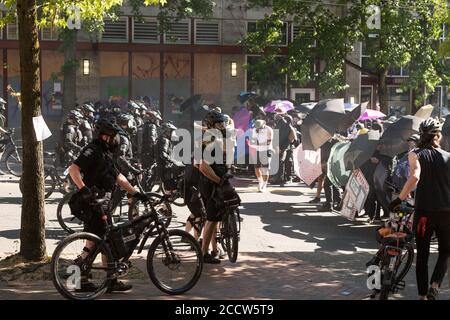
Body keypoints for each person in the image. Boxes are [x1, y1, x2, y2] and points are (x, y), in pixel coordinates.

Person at [68, 118, 148, 292]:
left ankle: (87, 279)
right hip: (94, 204)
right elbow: (73, 169)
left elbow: (119, 177)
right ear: (105, 137)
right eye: (114, 137)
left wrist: (136, 193)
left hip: (103, 204)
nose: (116, 141)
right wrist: (84, 190)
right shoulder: (92, 150)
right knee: (101, 243)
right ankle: (94, 277)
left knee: (99, 242)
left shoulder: (105, 154)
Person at [390, 118, 450, 300]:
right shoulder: (448, 156)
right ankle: (435, 285)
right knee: (445, 252)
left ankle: (422, 296)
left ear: (421, 136)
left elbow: (414, 177)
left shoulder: (415, 153)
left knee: (422, 255)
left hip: (424, 212)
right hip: (447, 212)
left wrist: (399, 199)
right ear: (438, 136)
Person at [198, 110, 231, 264]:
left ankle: (214, 249)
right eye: (220, 123)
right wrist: (218, 180)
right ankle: (203, 253)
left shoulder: (212, 137)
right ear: (212, 124)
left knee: (214, 218)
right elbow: (203, 166)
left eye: (223, 122)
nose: (223, 125)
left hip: (210, 182)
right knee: (211, 218)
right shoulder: (209, 139)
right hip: (209, 184)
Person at [249, 119, 273, 192]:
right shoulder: (254, 130)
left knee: (265, 169)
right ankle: (260, 182)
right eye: (256, 127)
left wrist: (258, 144)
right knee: (256, 168)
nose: (257, 129)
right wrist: (252, 143)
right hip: (256, 150)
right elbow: (253, 139)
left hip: (266, 150)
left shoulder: (269, 129)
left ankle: (264, 185)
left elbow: (269, 142)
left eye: (259, 127)